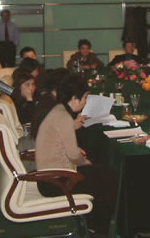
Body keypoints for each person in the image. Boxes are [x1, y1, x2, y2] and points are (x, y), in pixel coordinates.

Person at [35, 74, 117, 234]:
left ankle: (93, 224)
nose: (85, 102)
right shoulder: (63, 117)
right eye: (85, 97)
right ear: (74, 98)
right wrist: (86, 163)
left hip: (51, 175)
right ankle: (99, 229)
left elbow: (61, 140)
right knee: (108, 176)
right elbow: (73, 155)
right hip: (55, 181)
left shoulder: (58, 111)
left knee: (101, 171)